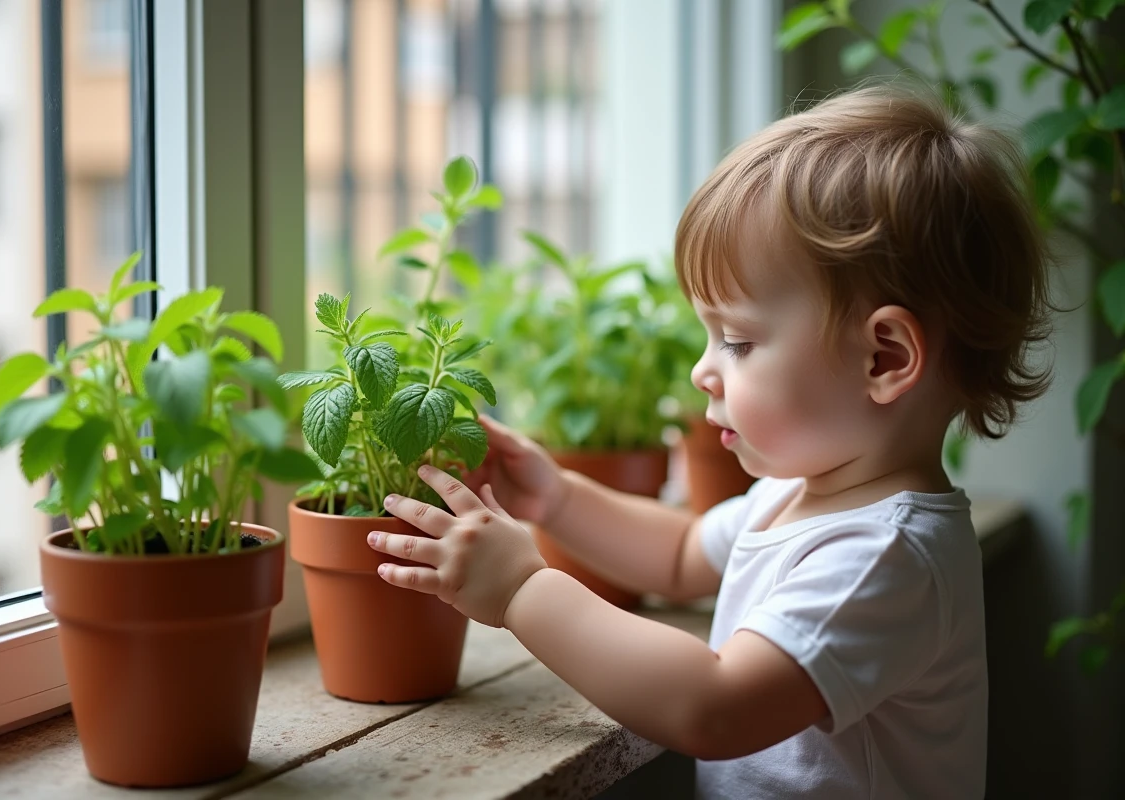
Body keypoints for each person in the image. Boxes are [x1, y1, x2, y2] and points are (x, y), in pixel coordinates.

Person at [367, 84, 1051, 798]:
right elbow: (681, 554)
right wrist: (557, 497)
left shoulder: (885, 558)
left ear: (883, 359)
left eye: (738, 341)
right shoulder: (797, 495)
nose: (703, 369)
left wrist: (522, 590)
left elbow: (715, 707)